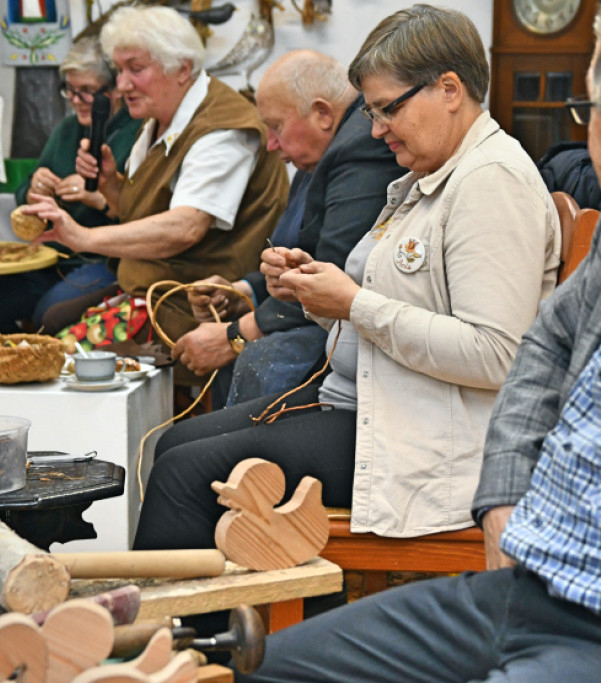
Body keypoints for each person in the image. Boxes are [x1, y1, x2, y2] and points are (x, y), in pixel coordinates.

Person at [234, 1, 601, 682]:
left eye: (590, 109)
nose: (585, 132)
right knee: (270, 667)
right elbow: (543, 350)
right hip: (535, 586)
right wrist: (505, 496)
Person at [133, 5, 559, 558]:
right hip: (380, 406)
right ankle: (237, 629)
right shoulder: (436, 174)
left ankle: (207, 639)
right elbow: (388, 302)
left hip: (424, 441)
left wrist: (354, 304)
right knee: (175, 443)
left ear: (450, 89)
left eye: (386, 110)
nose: (376, 129)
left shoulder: (491, 184)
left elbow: (498, 355)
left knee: (184, 475)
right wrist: (311, 293)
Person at [26, 5, 288, 366]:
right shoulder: (157, 120)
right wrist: (110, 184)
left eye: (136, 69)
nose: (121, 85)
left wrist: (81, 236)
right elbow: (137, 208)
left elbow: (184, 228)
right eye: (119, 70)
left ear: (182, 68)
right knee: (48, 326)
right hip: (145, 291)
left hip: (188, 307)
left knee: (53, 363)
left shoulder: (223, 130)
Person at [170, 49, 403, 408]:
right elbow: (298, 256)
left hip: (346, 325)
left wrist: (236, 335)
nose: (270, 144)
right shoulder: (322, 152)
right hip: (315, 311)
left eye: (276, 127)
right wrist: (245, 291)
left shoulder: (359, 147)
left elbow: (332, 274)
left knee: (259, 361)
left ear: (323, 114)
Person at [0, 37, 141, 336]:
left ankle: (40, 362)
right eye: (70, 91)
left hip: (104, 260)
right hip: (52, 258)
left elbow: (143, 212)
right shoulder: (67, 130)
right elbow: (23, 194)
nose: (75, 101)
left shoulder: (136, 132)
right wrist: (35, 188)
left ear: (113, 92)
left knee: (51, 312)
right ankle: (17, 364)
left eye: (86, 92)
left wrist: (98, 198)